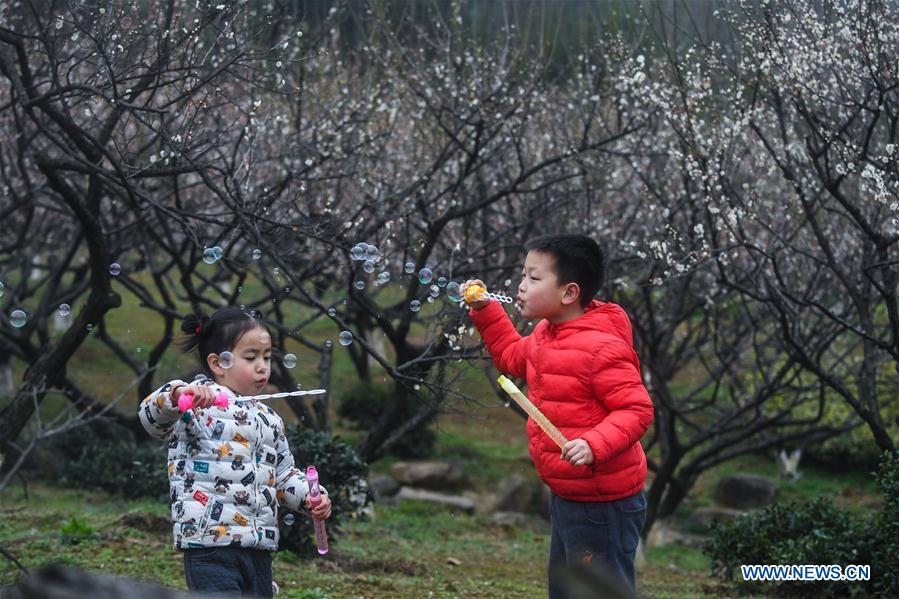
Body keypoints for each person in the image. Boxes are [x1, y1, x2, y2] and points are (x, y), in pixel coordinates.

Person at [463, 234, 653, 598]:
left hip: (603, 503)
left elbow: (636, 408)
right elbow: (511, 356)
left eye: (534, 278)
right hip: (568, 493)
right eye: (523, 275)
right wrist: (486, 310)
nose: (521, 286)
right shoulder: (545, 335)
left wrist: (593, 444)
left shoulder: (600, 348)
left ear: (569, 293)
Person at [139, 307, 331, 598]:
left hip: (258, 545)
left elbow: (282, 476)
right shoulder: (194, 405)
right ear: (218, 363)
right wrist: (177, 395)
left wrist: (310, 495)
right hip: (209, 543)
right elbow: (151, 418)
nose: (262, 367)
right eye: (251, 358)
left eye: (267, 357)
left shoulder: (269, 419)